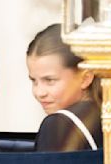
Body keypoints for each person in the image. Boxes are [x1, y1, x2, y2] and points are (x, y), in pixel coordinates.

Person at [26, 23, 103, 152]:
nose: (39, 92)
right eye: (34, 81)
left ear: (86, 78)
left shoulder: (58, 124)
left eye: (49, 80)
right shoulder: (109, 114)